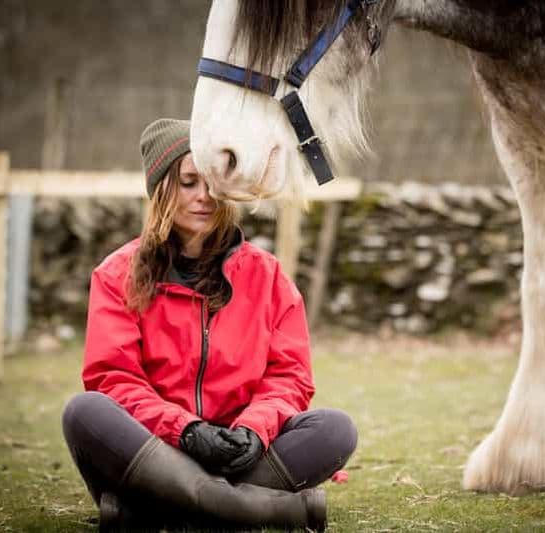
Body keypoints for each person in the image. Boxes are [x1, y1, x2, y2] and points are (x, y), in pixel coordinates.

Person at [61, 118, 357, 531]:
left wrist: (253, 431)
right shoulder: (117, 274)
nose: (204, 196)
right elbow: (114, 378)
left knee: (335, 429)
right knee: (84, 411)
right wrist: (186, 431)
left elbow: (289, 378)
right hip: (155, 454)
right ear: (161, 187)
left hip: (241, 457)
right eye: (188, 182)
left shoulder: (268, 276)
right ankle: (255, 510)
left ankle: (156, 514)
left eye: (214, 183)